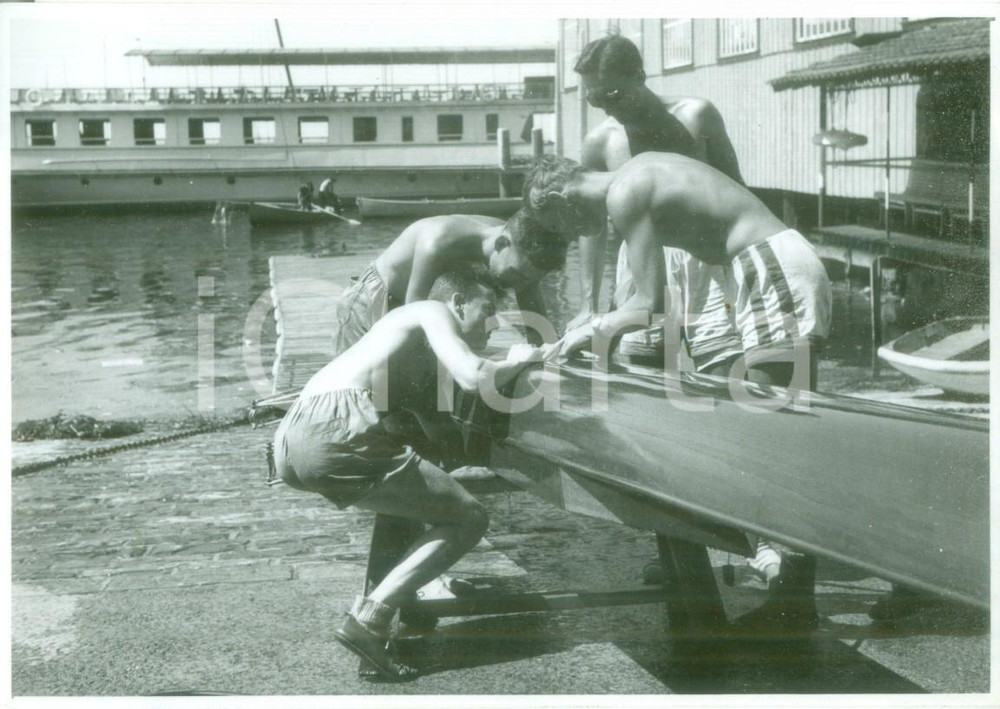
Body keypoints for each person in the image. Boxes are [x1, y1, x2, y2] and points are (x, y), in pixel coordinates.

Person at [525, 152, 832, 633]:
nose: (569, 237)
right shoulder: (634, 177)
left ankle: (793, 605)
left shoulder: (625, 193)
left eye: (558, 225)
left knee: (780, 439)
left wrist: (586, 334)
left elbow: (649, 304)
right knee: (767, 434)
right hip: (754, 270)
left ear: (562, 198)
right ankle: (792, 600)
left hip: (769, 268)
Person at [273, 268, 552, 678]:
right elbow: (474, 376)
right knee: (470, 518)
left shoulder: (405, 340)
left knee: (411, 505)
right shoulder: (430, 311)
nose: (492, 325)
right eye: (487, 310)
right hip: (334, 426)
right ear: (457, 303)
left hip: (293, 438)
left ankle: (385, 630)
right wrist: (524, 359)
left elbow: (438, 441)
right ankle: (368, 618)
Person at [571, 33, 745, 380]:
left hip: (705, 261)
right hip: (640, 261)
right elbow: (592, 226)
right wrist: (588, 304)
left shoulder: (697, 116)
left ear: (639, 76)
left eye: (612, 94)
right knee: (642, 377)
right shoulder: (600, 142)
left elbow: (739, 193)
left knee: (727, 372)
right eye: (594, 98)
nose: (605, 106)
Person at [332, 209, 565, 356]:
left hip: (421, 303)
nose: (518, 285)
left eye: (527, 280)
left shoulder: (520, 246)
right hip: (373, 301)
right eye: (516, 275)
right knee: (366, 394)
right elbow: (413, 314)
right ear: (501, 244)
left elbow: (538, 326)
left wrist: (546, 354)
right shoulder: (439, 241)